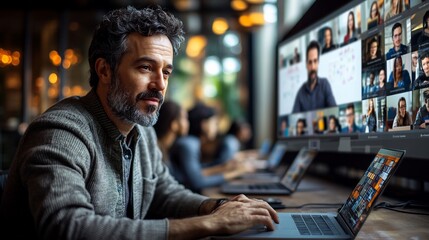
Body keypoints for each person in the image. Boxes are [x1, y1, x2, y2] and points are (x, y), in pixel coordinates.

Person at [0, 6, 278, 239]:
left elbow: (164, 192)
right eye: (146, 67)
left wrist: (218, 207)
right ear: (105, 70)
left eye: (166, 72)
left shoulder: (141, 130)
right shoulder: (60, 133)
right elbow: (67, 227)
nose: (159, 85)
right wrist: (209, 224)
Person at [169, 102, 253, 193]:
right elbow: (197, 182)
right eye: (214, 123)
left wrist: (223, 167)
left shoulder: (191, 142)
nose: (216, 127)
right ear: (204, 125)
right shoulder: (188, 144)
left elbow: (197, 170)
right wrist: (234, 173)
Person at [292, 41, 336, 113]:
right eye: (310, 62)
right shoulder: (300, 93)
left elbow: (334, 112)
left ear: (318, 63)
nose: (312, 67)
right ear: (306, 64)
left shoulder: (325, 85)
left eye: (315, 61)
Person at [153, 100, 189, 165]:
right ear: (174, 125)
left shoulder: (168, 148)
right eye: (184, 118)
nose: (187, 123)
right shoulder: (157, 152)